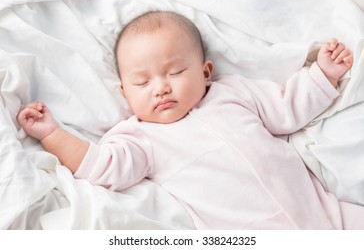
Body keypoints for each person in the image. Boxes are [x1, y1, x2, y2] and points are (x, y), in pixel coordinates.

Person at [18, 11, 355, 229]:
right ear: (124, 93)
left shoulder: (232, 93)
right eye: (142, 82)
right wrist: (52, 134)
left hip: (331, 216)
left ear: (206, 72)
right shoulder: (139, 137)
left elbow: (287, 109)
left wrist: (323, 74)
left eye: (175, 71)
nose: (161, 87)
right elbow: (103, 167)